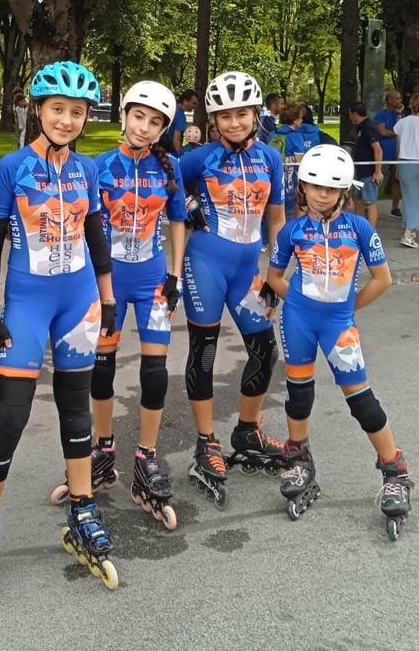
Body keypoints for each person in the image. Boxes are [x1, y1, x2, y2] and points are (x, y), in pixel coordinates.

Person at [0, 61, 119, 608]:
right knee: (10, 414)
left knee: (77, 408)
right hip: (27, 303)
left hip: (78, 302)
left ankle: (82, 506)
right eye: (58, 109)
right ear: (39, 110)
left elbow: (96, 233)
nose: (69, 119)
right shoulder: (11, 166)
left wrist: (107, 298)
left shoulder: (89, 170)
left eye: (78, 112)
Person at [266, 144, 413, 539]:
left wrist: (348, 311)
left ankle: (394, 470)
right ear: (303, 187)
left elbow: (383, 279)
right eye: (314, 186)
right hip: (297, 319)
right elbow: (275, 275)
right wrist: (292, 303)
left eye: (331, 189)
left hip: (338, 323)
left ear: (344, 191)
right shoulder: (292, 230)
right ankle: (298, 458)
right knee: (298, 395)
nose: (322, 194)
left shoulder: (360, 228)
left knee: (361, 401)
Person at [179, 71, 287, 510]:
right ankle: (206, 442)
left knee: (265, 349)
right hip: (204, 263)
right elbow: (163, 181)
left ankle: (247, 429)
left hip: (247, 270)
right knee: (203, 352)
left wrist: (276, 275)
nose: (234, 122)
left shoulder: (271, 159)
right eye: (224, 116)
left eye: (241, 113)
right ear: (213, 119)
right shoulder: (197, 158)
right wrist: (187, 208)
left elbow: (277, 219)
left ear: (255, 114)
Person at [83, 80, 187, 530]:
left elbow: (179, 220)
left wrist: (176, 274)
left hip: (151, 280)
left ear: (164, 128)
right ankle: (103, 451)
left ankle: (146, 457)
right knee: (102, 369)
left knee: (155, 372)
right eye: (139, 117)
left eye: (156, 121)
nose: (145, 127)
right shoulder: (98, 165)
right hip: (107, 282)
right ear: (123, 115)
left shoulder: (171, 168)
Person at [393, 93, 419, 249]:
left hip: (404, 162)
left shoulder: (402, 122)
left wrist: (397, 164)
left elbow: (398, 145)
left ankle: (409, 229)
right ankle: (409, 232)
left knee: (408, 198)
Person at [348, 102, 384, 227]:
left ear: (355, 114)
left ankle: (371, 230)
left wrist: (377, 171)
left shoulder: (368, 127)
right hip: (359, 172)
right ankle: (358, 227)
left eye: (350, 115)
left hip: (368, 173)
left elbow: (378, 149)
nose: (350, 118)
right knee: (358, 200)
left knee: (370, 201)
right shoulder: (360, 128)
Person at [273, 101, 308, 221]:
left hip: (273, 176)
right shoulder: (296, 136)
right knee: (288, 212)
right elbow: (300, 161)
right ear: (294, 119)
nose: (302, 120)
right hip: (289, 180)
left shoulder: (274, 133)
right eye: (300, 118)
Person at [373, 90, 403, 217]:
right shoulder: (380, 115)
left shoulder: (401, 116)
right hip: (384, 153)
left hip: (398, 153)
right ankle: (370, 204)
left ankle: (395, 207)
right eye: (396, 98)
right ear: (389, 100)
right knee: (378, 180)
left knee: (397, 181)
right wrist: (397, 133)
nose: (399, 101)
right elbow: (382, 131)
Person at [163, 88, 199, 156]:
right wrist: (180, 157)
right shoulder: (180, 116)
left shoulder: (172, 110)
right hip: (170, 153)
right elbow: (176, 140)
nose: (195, 106)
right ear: (185, 101)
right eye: (193, 103)